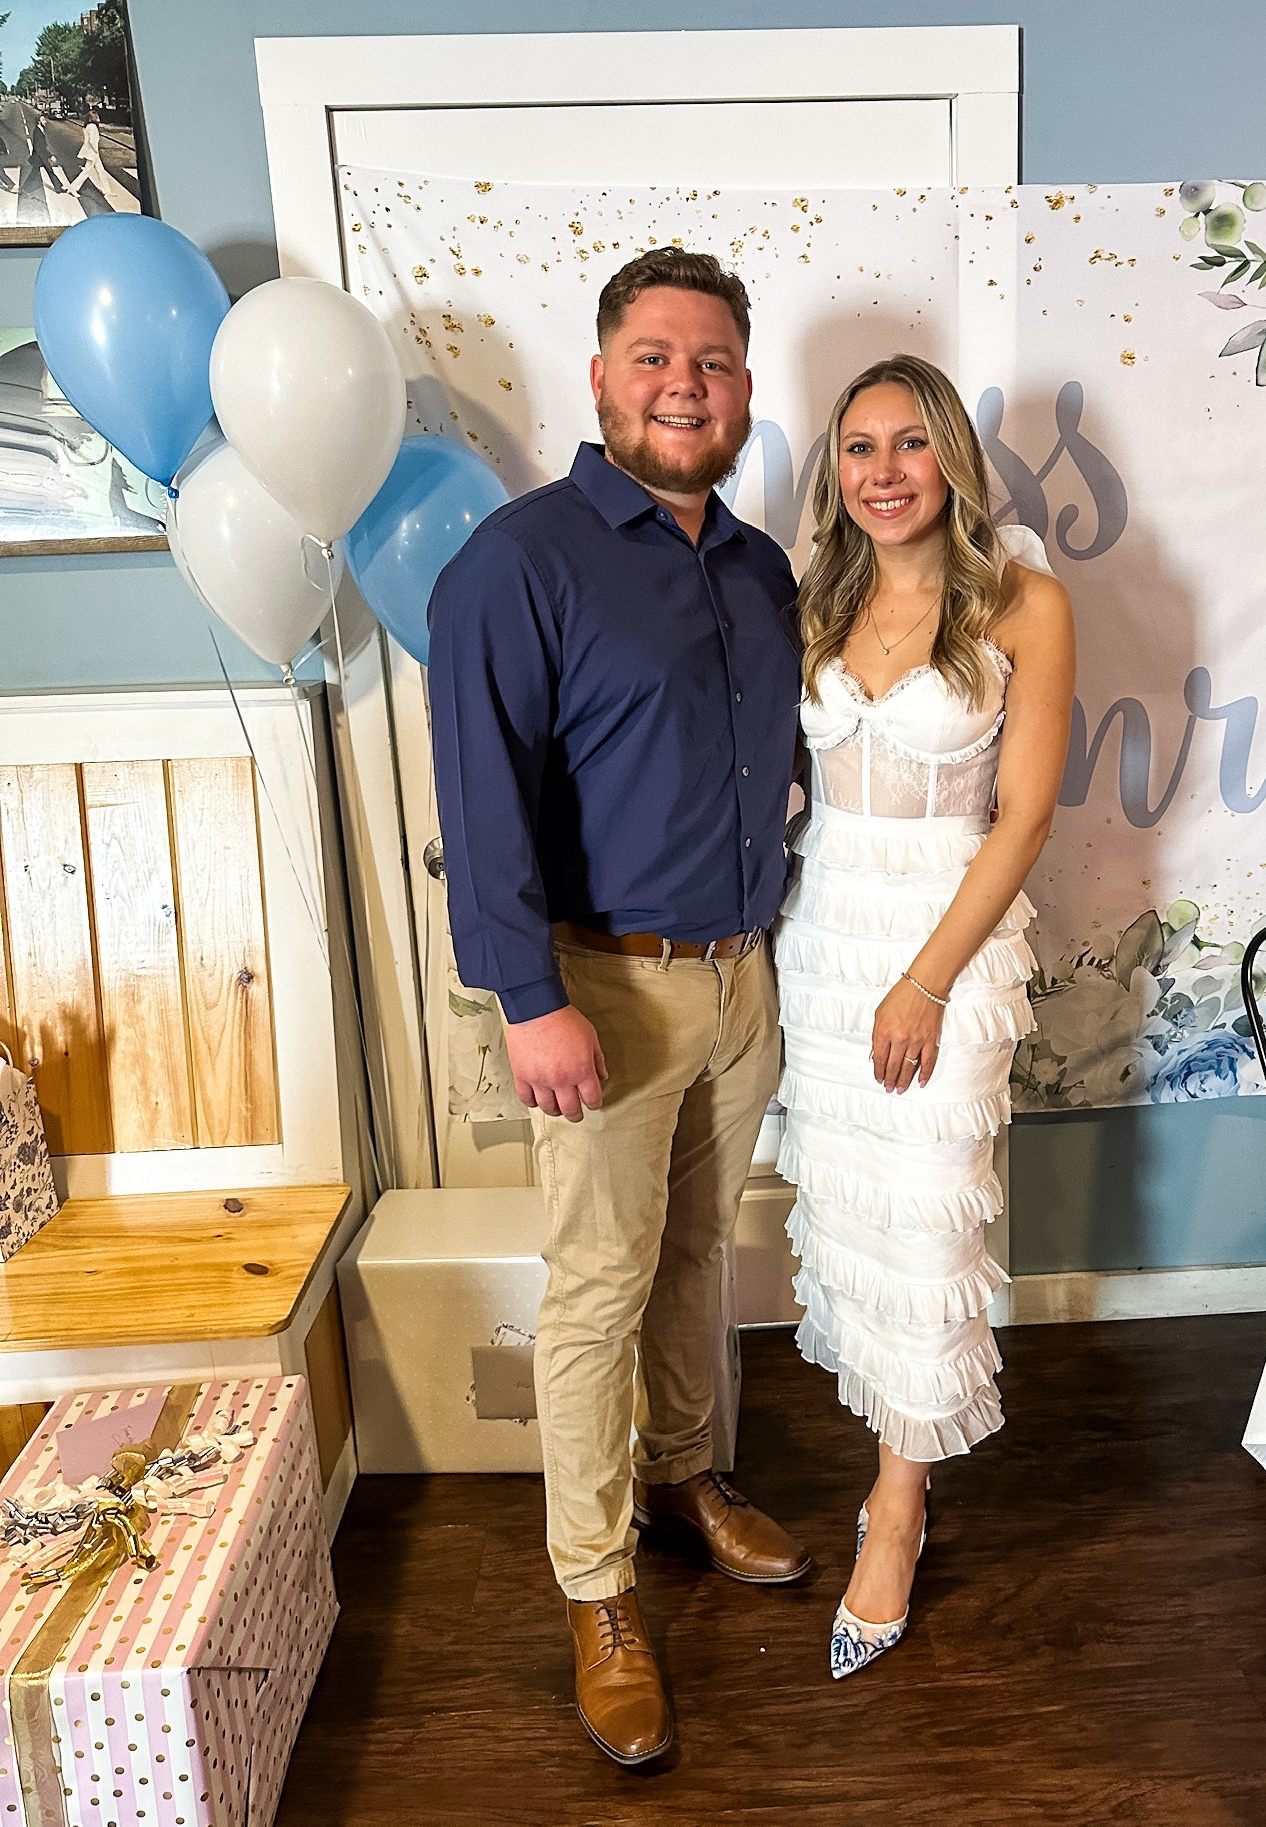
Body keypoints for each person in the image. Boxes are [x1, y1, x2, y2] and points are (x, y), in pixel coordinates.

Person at [428, 248, 809, 1769]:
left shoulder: (760, 566)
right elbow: (482, 796)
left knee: (697, 1256)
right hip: (600, 990)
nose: (684, 385)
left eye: (711, 361)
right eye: (655, 356)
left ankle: (682, 1475)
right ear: (599, 376)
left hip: (739, 977)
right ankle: (597, 1588)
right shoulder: (515, 563)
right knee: (594, 1289)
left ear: (742, 389)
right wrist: (531, 997)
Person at [775, 353, 1075, 1678]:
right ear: (834, 472)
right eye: (858, 448)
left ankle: (897, 1506)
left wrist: (927, 978)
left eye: (908, 444)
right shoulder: (810, 601)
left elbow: (1024, 817)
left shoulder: (1024, 603)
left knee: (930, 1203)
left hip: (943, 942)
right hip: (825, 936)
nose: (883, 471)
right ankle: (889, 1461)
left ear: (950, 457)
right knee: (855, 1210)